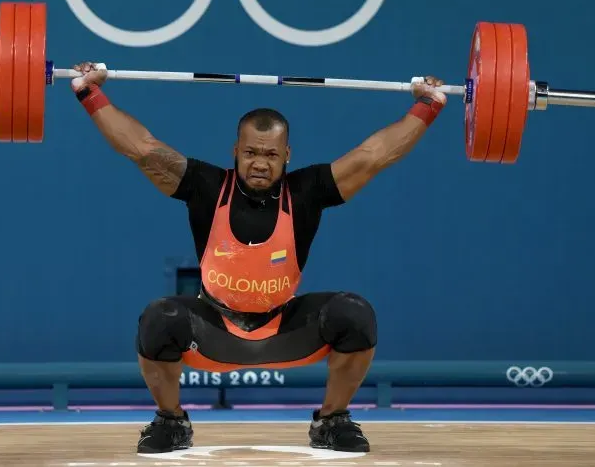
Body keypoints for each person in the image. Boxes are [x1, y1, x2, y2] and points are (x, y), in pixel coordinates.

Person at [69, 62, 447, 454]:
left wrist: (428, 106)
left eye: (270, 154)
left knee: (355, 314)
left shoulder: (307, 192)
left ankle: (332, 421)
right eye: (249, 152)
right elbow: (142, 148)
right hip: (213, 330)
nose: (259, 162)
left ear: (287, 155)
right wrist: (88, 92)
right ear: (235, 151)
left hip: (284, 329)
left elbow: (374, 155)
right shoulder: (206, 186)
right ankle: (171, 422)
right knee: (158, 318)